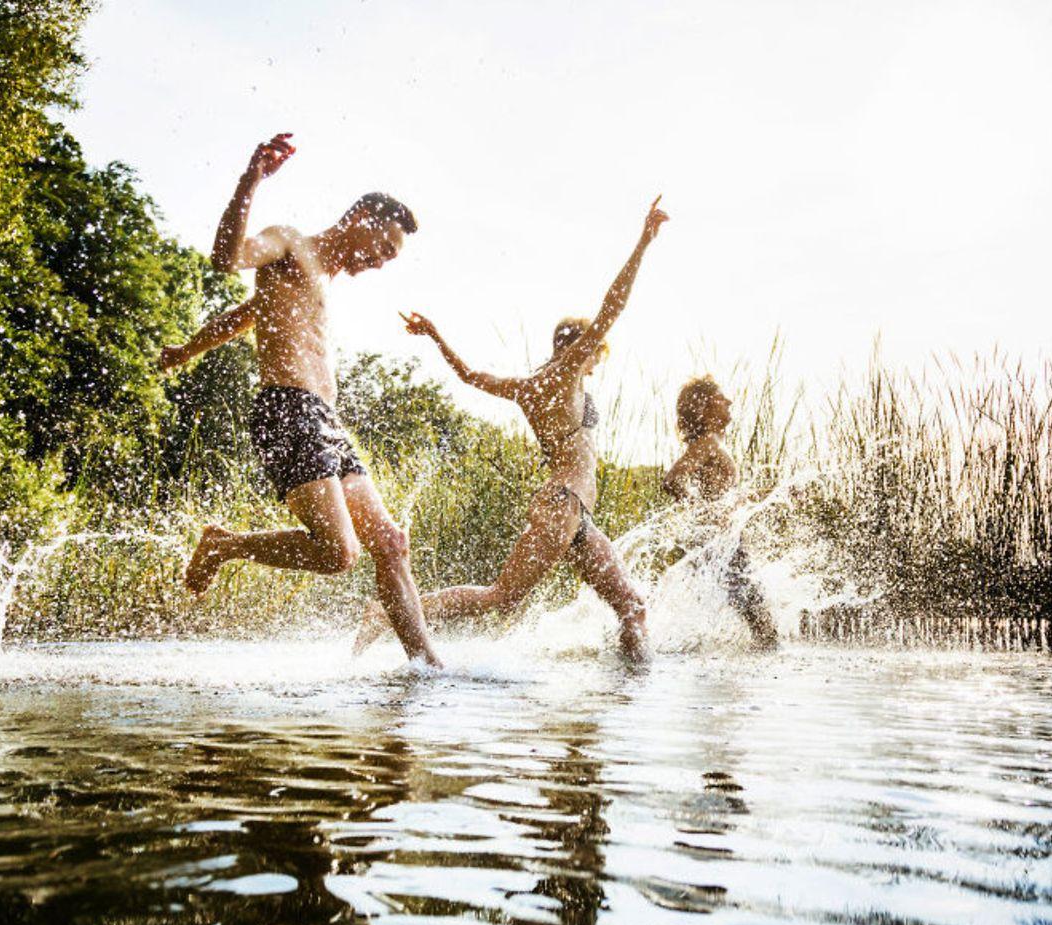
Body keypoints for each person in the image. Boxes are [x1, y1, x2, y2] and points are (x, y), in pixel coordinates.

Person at [157, 132, 443, 667]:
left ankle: (427, 666)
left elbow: (242, 318)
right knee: (339, 553)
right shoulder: (290, 243)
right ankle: (224, 544)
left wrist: (189, 348)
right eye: (385, 247)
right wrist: (251, 179)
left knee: (391, 541)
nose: (383, 262)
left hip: (326, 420)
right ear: (362, 217)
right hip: (286, 410)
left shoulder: (324, 281)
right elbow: (227, 258)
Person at [355, 198, 670, 663]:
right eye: (589, 350)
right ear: (585, 349)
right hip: (562, 505)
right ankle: (386, 612)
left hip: (574, 513)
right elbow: (613, 305)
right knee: (501, 597)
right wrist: (644, 240)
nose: (590, 358)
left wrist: (437, 337)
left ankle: (629, 695)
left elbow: (467, 375)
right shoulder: (564, 374)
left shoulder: (528, 386)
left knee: (631, 606)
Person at [662, 376, 779, 648]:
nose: (729, 401)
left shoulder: (713, 442)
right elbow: (672, 480)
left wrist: (768, 495)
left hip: (724, 541)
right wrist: (706, 514)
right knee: (764, 628)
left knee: (757, 620)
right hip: (721, 542)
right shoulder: (707, 442)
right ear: (704, 408)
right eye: (720, 397)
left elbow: (722, 495)